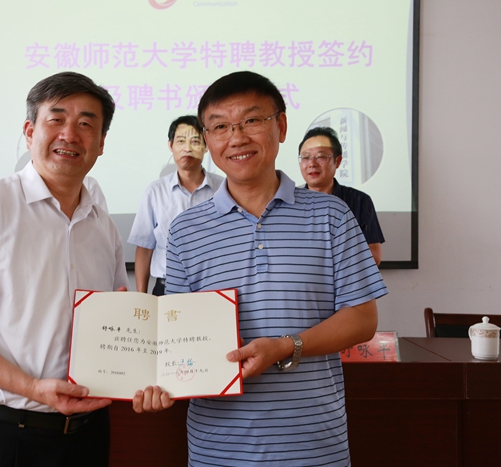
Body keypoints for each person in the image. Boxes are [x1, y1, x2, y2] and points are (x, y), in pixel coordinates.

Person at [0, 71, 171, 467]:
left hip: (86, 436)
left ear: (101, 143)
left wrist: (145, 372)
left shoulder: (103, 227)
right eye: (56, 119)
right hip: (3, 436)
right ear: (29, 131)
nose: (70, 134)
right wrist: (33, 387)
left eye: (86, 124)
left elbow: (112, 331)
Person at [164, 71, 388, 465]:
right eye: (220, 127)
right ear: (207, 140)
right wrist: (152, 377)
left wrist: (286, 346)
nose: (236, 138)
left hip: (314, 447)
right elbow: (177, 337)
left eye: (252, 120)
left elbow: (362, 320)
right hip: (218, 449)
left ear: (281, 126)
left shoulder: (332, 215)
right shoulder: (185, 230)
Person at [128, 115, 223, 295]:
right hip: (166, 288)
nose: (187, 148)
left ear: (206, 146)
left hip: (213, 288)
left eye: (195, 141)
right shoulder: (155, 192)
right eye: (180, 141)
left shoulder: (223, 189)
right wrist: (141, 296)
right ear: (171, 146)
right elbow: (144, 248)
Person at [298, 126, 385, 264]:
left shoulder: (360, 201)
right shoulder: (290, 201)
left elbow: (374, 257)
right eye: (306, 157)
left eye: (320, 156)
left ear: (337, 161)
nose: (312, 164)